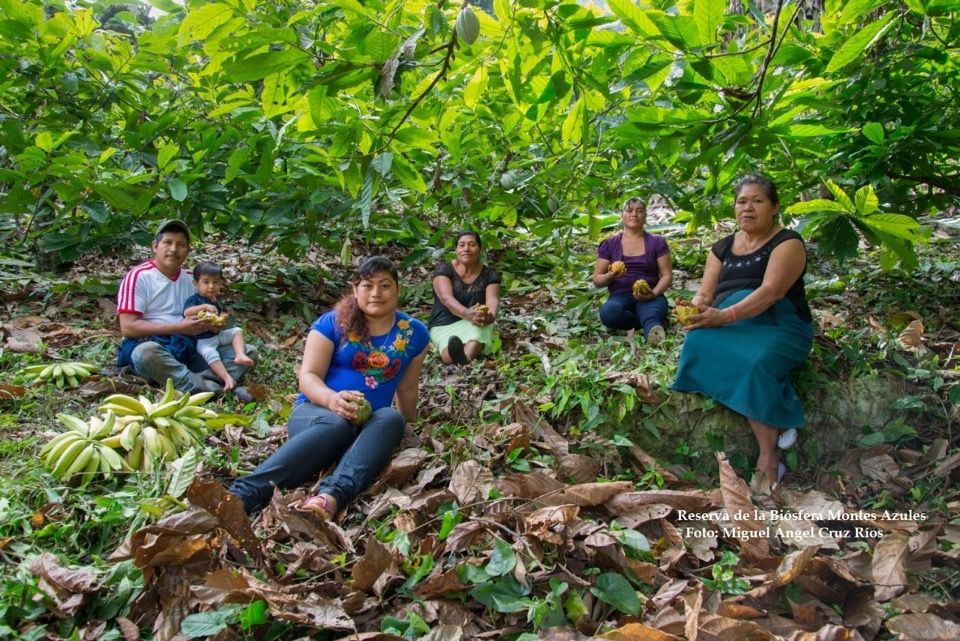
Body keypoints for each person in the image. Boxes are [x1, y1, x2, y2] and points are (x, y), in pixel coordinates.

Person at [230, 256, 429, 518]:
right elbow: (309, 376)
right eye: (368, 285)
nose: (376, 293)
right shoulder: (333, 323)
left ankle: (331, 496)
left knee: (392, 418)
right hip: (316, 413)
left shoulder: (414, 333)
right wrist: (332, 400)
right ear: (355, 289)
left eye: (385, 285)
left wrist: (409, 426)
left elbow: (407, 388)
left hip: (368, 423)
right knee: (338, 424)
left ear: (397, 290)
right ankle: (243, 494)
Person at [670, 175, 813, 490]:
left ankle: (768, 456)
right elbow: (705, 294)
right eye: (741, 201)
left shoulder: (787, 242)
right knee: (696, 343)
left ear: (774, 207)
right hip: (730, 322)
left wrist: (724, 316)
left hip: (778, 323)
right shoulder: (721, 248)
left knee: (755, 363)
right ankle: (782, 416)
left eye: (757, 201)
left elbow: (772, 292)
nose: (747, 208)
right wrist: (693, 309)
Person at [115, 219, 257, 400]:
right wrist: (177, 327)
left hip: (190, 346)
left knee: (249, 351)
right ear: (154, 246)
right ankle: (210, 387)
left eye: (181, 244)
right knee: (146, 354)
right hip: (155, 344)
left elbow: (212, 319)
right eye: (167, 242)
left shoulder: (194, 279)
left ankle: (200, 384)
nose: (173, 249)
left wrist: (215, 325)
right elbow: (128, 327)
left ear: (188, 251)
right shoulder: (139, 276)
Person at [593, 197, 673, 346]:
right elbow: (597, 280)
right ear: (621, 215)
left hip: (650, 294)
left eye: (639, 211)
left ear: (645, 216)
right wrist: (611, 275)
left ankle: (654, 334)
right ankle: (643, 319)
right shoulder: (609, 244)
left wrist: (653, 293)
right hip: (620, 296)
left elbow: (667, 275)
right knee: (608, 313)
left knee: (652, 312)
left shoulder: (657, 242)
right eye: (629, 210)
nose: (634, 214)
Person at [428, 231, 501, 365]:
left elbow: (493, 300)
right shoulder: (444, 269)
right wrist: (465, 313)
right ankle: (456, 358)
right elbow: (446, 298)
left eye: (472, 245)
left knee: (479, 328)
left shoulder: (490, 274)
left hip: (475, 320)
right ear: (456, 250)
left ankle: (464, 359)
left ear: (480, 249)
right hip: (443, 322)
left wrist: (490, 316)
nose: (466, 249)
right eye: (462, 245)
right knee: (447, 355)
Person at [182, 260, 254, 392]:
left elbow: (218, 323)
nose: (211, 286)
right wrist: (203, 307)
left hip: (216, 335)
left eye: (215, 282)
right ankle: (226, 377)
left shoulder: (214, 301)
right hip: (203, 340)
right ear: (196, 284)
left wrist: (220, 322)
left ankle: (239, 354)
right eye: (206, 282)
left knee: (237, 331)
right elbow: (186, 312)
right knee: (210, 353)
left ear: (221, 283)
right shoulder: (195, 300)